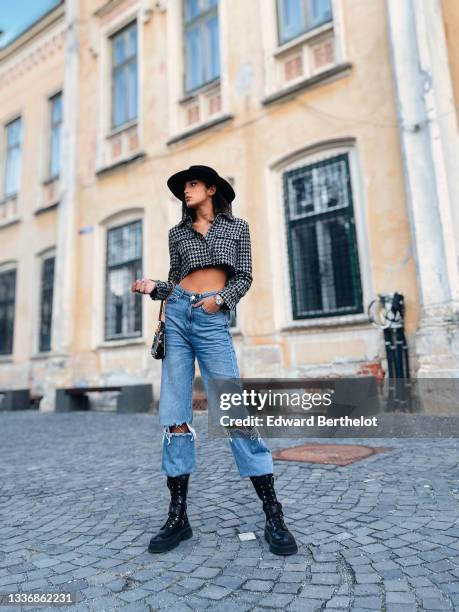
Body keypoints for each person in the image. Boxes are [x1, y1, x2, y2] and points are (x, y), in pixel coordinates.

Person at [131, 165, 297, 556]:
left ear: (210, 189)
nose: (185, 192)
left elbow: (244, 277)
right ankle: (178, 517)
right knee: (174, 414)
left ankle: (273, 512)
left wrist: (219, 300)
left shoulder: (237, 228)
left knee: (233, 411)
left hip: (210, 318)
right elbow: (176, 281)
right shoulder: (177, 234)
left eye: (191, 185)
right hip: (176, 316)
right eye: (182, 187)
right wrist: (157, 288)